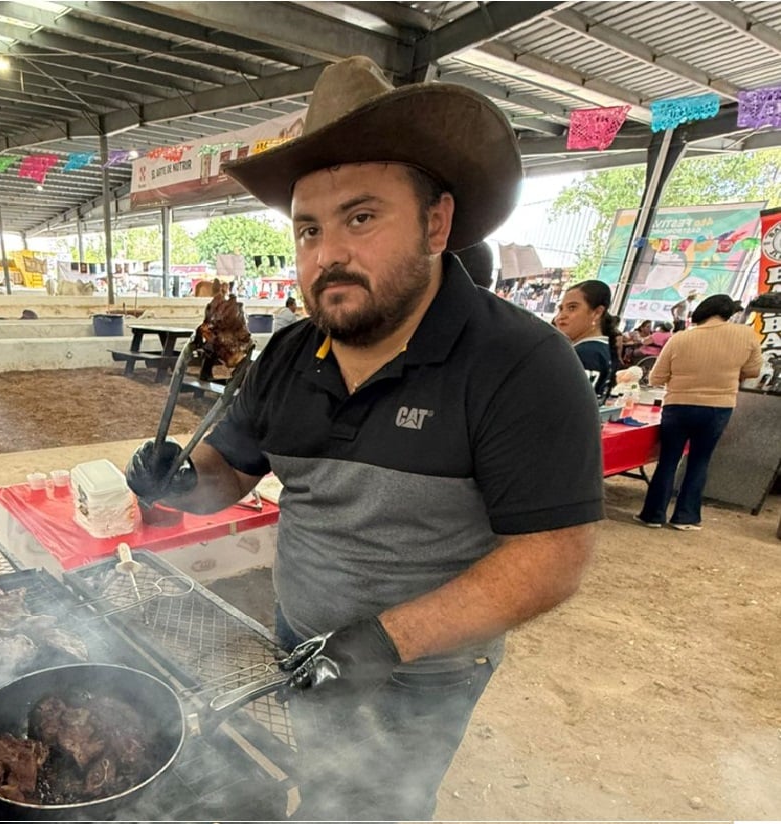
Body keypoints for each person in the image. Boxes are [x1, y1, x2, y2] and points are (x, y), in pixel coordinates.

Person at [124, 56, 602, 821]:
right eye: (309, 228)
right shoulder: (286, 354)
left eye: (361, 217)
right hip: (302, 637)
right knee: (321, 785)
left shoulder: (521, 364)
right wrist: (174, 481)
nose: (327, 253)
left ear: (436, 223)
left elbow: (553, 557)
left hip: (426, 670)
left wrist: (383, 642)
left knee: (378, 807)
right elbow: (225, 476)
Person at [635, 295, 762, 530]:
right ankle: (686, 517)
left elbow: (656, 377)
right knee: (700, 460)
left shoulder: (680, 338)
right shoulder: (746, 335)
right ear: (729, 313)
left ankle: (653, 515)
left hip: (678, 405)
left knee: (668, 460)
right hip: (719, 407)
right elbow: (753, 370)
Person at [554, 280, 617, 401]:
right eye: (561, 309)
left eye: (572, 308)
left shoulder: (587, 353)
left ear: (597, 312)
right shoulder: (597, 350)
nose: (561, 316)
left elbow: (566, 403)